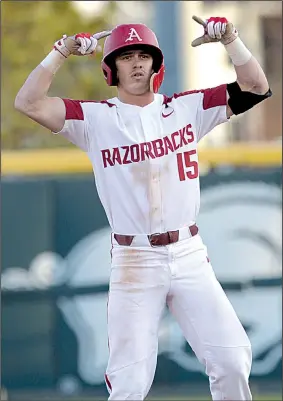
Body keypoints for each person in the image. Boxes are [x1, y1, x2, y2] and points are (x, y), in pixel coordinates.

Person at [15, 15, 272, 401]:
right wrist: (60, 52)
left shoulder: (187, 107)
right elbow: (28, 102)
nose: (136, 62)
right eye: (126, 56)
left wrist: (233, 41)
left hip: (188, 254)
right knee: (130, 384)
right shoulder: (95, 118)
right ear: (111, 68)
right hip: (135, 259)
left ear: (156, 64)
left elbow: (256, 87)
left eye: (143, 54)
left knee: (233, 362)